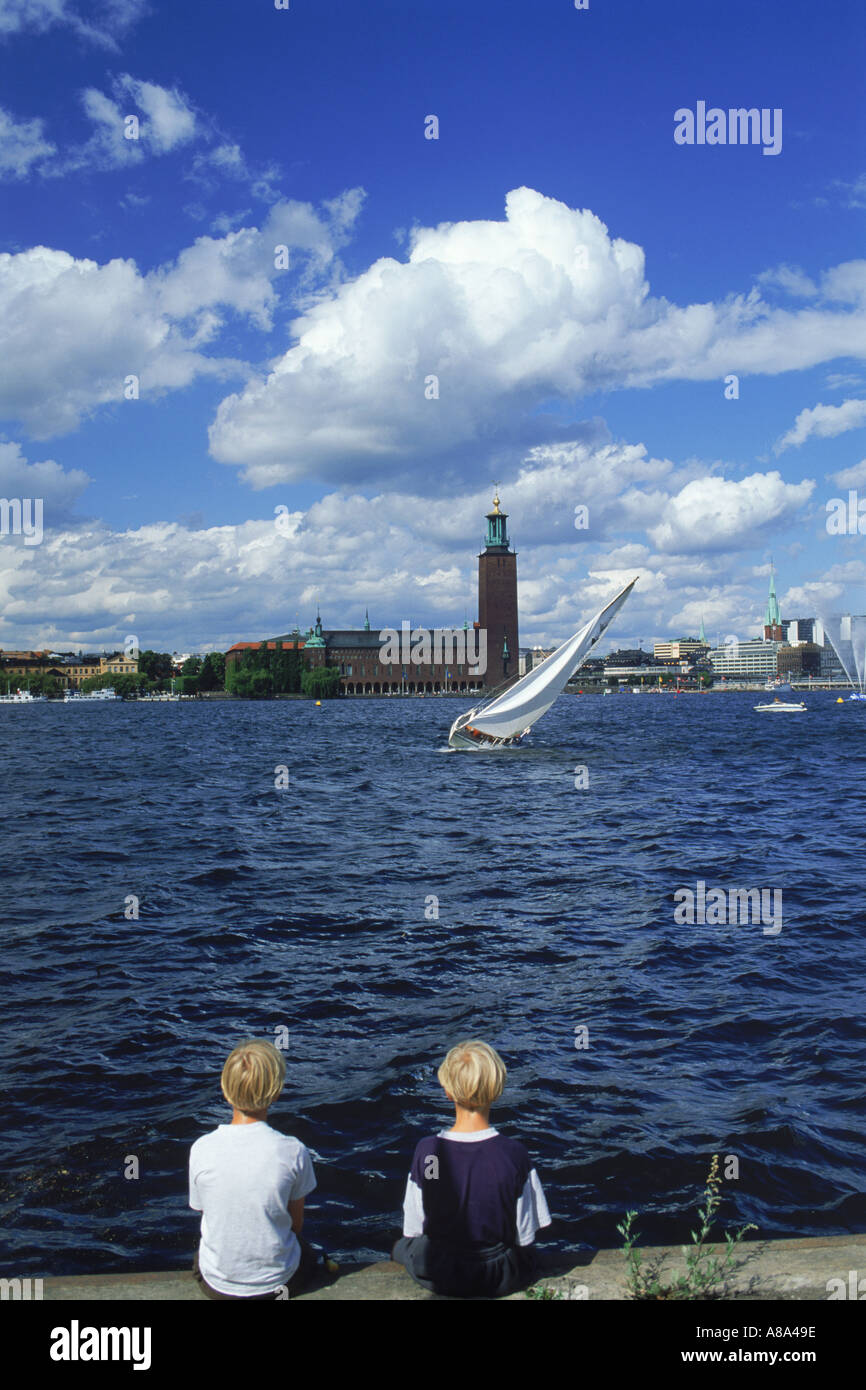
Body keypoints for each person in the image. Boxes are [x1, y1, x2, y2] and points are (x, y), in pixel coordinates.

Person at [392, 1039, 551, 1297]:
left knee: (402, 1247)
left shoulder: (428, 1152)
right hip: (498, 1274)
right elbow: (525, 1236)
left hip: (440, 1270)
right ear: (496, 1090)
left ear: (448, 1092)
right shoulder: (514, 1154)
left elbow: (414, 1228)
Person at [189, 1038, 320, 1299]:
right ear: (276, 1092)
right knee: (306, 1252)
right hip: (277, 1286)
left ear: (226, 1090)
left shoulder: (201, 1148)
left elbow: (205, 1210)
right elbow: (295, 1225)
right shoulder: (293, 1150)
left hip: (218, 1287)